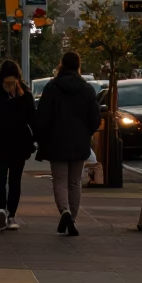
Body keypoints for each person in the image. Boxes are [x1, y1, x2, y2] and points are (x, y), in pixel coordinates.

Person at [35, 51, 101, 237]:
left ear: (61, 65)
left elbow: (42, 116)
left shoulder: (51, 87)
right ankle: (72, 218)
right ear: (78, 66)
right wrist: (85, 132)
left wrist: (42, 136)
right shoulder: (87, 89)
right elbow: (95, 118)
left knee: (60, 180)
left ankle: (64, 210)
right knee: (74, 182)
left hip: (56, 142)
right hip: (79, 141)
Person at [0, 60, 36, 231]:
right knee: (15, 180)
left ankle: (0, 209)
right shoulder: (25, 95)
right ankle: (11, 215)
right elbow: (33, 120)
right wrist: (35, 140)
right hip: (19, 144)